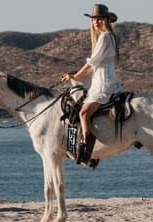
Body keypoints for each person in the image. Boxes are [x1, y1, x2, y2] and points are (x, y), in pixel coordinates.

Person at [61, 4, 122, 146]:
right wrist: (75, 74)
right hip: (103, 84)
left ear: (106, 20)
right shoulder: (108, 37)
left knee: (83, 113)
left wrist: (75, 77)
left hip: (103, 86)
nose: (96, 22)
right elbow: (94, 65)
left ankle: (86, 146)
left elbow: (91, 63)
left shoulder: (105, 37)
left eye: (100, 19)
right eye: (94, 19)